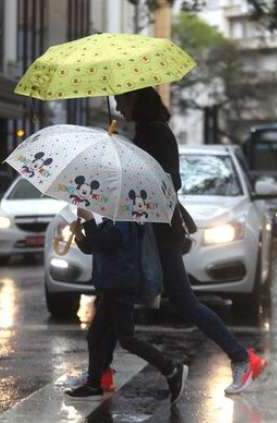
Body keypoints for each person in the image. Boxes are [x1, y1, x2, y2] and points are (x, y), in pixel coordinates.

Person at [114, 87, 266, 395]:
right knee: (115, 296)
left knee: (182, 301)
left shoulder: (156, 133)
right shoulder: (146, 133)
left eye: (122, 101)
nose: (118, 108)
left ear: (136, 101)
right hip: (151, 227)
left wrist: (129, 160)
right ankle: (98, 372)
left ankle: (241, 357)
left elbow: (171, 180)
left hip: (160, 228)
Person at [64, 207, 188, 403]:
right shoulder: (112, 217)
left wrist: (88, 221)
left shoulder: (125, 217)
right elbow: (92, 247)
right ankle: (93, 384)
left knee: (127, 339)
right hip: (111, 285)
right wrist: (78, 233)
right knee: (95, 336)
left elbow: (108, 242)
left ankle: (171, 369)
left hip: (122, 285)